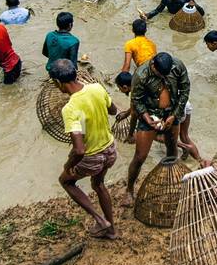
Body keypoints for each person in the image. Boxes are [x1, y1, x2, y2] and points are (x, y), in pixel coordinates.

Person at [51, 58, 118, 240]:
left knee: (66, 181)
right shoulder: (96, 88)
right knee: (98, 184)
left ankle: (100, 220)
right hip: (110, 149)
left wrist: (68, 165)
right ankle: (111, 230)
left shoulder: (70, 108)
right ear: (76, 73)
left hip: (92, 156)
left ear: (58, 83)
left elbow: (79, 150)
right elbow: (113, 110)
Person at [124, 52, 196, 206]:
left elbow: (185, 91)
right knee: (140, 157)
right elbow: (136, 100)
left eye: (166, 74)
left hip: (171, 113)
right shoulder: (141, 74)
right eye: (160, 74)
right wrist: (146, 117)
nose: (164, 77)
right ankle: (129, 190)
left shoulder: (177, 66)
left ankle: (171, 183)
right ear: (153, 66)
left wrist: (174, 115)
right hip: (150, 115)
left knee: (172, 151)